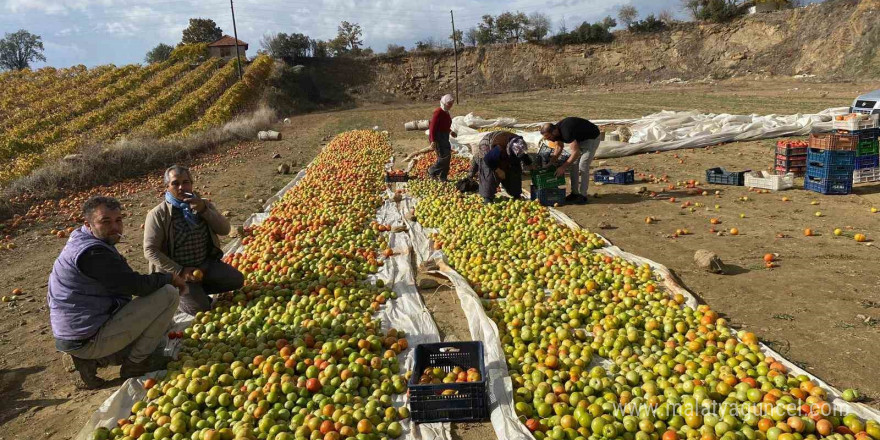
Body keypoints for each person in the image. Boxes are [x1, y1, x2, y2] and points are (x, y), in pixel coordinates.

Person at [48, 196, 186, 389]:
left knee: (161, 326)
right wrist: (169, 278)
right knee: (168, 294)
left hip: (80, 330)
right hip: (86, 337)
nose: (115, 227)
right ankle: (135, 363)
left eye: (118, 220)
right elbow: (136, 285)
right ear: (88, 224)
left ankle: (89, 360)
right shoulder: (92, 254)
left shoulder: (82, 239)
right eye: (106, 222)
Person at [144, 165, 244, 315]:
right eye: (175, 183)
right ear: (167, 187)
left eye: (186, 182)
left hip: (204, 266)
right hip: (178, 274)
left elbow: (225, 230)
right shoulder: (158, 214)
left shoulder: (202, 204)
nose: (181, 187)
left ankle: (197, 290)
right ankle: (180, 295)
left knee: (237, 280)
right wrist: (180, 271)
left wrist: (204, 210)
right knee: (201, 309)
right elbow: (150, 250)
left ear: (191, 184)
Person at [540, 117, 602, 204]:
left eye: (549, 137)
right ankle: (574, 193)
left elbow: (575, 152)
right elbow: (558, 147)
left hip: (591, 138)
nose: (550, 139)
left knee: (583, 165)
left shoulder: (566, 132)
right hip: (580, 139)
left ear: (554, 131)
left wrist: (563, 167)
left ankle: (583, 196)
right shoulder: (556, 132)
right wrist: (551, 162)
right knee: (573, 165)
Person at [468, 130, 532, 203]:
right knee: (489, 173)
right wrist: (499, 170)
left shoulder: (519, 144)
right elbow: (488, 160)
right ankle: (488, 197)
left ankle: (516, 193)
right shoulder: (499, 147)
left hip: (503, 149)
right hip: (489, 150)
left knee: (515, 170)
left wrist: (530, 165)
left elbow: (523, 155)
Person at [426, 94, 458, 181]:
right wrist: (433, 140)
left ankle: (443, 177)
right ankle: (432, 171)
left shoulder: (446, 112)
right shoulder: (438, 112)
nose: (451, 106)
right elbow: (432, 127)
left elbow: (444, 125)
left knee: (447, 156)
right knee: (443, 157)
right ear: (444, 103)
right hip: (438, 138)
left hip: (444, 136)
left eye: (451, 104)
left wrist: (450, 131)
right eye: (449, 104)